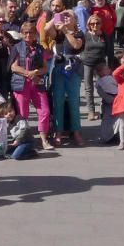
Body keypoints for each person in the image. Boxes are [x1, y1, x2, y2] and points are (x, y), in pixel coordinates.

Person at [9, 22, 53, 150]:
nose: (28, 35)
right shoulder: (17, 47)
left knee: (44, 111)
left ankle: (44, 140)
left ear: (35, 34)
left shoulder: (40, 48)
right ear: (22, 34)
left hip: (36, 83)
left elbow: (45, 68)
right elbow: (13, 67)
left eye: (31, 32)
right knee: (23, 113)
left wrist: (36, 73)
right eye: (25, 33)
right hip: (21, 83)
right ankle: (24, 139)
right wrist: (28, 73)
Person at [48, 10, 84, 147]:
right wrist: (57, 14)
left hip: (73, 70)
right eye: (65, 16)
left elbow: (76, 45)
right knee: (58, 101)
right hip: (59, 69)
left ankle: (76, 132)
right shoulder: (58, 34)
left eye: (69, 16)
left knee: (74, 101)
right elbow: (46, 29)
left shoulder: (79, 34)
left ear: (75, 20)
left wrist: (66, 30)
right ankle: (58, 132)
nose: (66, 18)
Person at [82, 15, 107, 121]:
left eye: (97, 23)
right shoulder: (85, 35)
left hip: (100, 64)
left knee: (104, 87)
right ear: (89, 25)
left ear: (101, 24)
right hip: (87, 63)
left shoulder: (104, 35)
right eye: (92, 24)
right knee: (88, 88)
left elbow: (108, 50)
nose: (95, 25)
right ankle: (91, 111)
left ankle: (105, 110)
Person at [90, 0, 116, 66]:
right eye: (98, 0)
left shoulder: (109, 7)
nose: (100, 2)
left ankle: (110, 67)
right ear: (96, 1)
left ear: (104, 0)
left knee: (110, 51)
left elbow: (114, 18)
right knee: (100, 50)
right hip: (98, 33)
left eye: (102, 0)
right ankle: (100, 67)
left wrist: (111, 27)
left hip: (109, 32)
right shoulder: (93, 9)